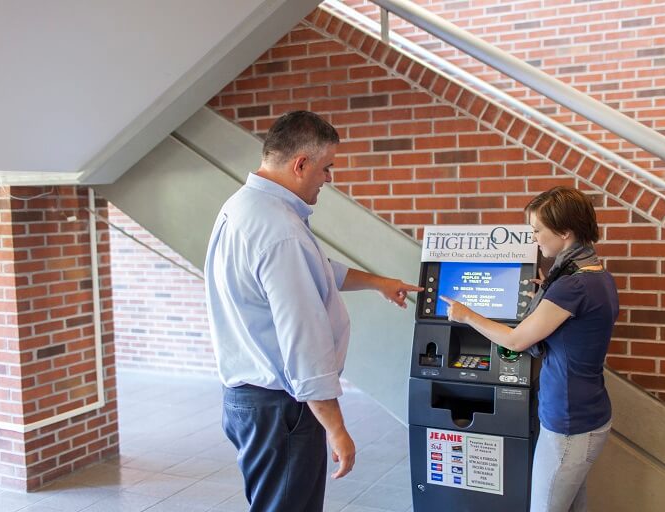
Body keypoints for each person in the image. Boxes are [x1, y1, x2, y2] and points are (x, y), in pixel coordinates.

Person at [204, 110, 422, 512]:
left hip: (248, 401)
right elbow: (305, 345)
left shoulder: (243, 207)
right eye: (326, 168)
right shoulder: (280, 230)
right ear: (300, 164)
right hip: (282, 408)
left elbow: (316, 270)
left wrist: (377, 282)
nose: (328, 179)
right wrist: (336, 428)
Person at [440, 186, 619, 512]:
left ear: (564, 232)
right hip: (587, 412)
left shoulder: (571, 286)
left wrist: (466, 315)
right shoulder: (596, 275)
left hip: (569, 422)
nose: (534, 238)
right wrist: (547, 297)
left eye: (537, 230)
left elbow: (516, 341)